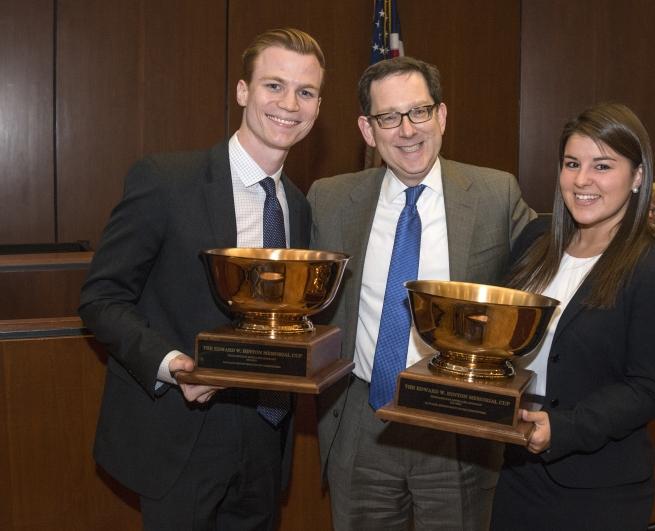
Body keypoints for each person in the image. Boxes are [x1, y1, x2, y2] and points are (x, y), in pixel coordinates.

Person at [79, 28, 322, 530]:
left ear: (319, 106)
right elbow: (101, 299)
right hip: (183, 431)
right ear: (242, 91)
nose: (289, 104)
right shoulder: (166, 181)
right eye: (273, 86)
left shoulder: (297, 206)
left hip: (267, 432)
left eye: (306, 92)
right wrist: (174, 366)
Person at [308, 56, 536, 530]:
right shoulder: (328, 199)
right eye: (389, 117)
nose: (407, 130)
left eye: (419, 112)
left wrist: (640, 256)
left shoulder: (496, 194)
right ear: (367, 130)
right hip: (361, 419)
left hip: (457, 425)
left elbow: (554, 268)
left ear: (442, 116)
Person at [490, 103, 655, 531]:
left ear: (638, 176)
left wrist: (562, 429)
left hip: (598, 490)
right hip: (516, 474)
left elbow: (651, 387)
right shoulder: (534, 243)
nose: (582, 180)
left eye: (603, 165)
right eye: (572, 164)